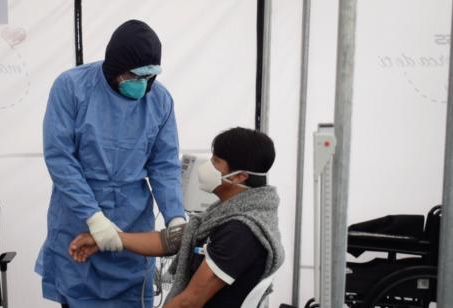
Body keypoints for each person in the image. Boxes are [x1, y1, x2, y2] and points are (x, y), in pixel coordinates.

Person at [35, 20, 186, 308]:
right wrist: (94, 217)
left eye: (149, 76)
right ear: (114, 67)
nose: (142, 85)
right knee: (80, 296)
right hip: (78, 217)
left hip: (133, 223)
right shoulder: (72, 87)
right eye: (134, 76)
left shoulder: (160, 99)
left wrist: (175, 217)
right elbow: (60, 158)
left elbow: (164, 165)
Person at [69, 127, 285, 308]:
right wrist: (110, 237)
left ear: (239, 176)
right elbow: (170, 240)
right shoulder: (225, 214)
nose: (207, 166)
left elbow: (189, 302)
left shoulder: (240, 231)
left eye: (216, 161)